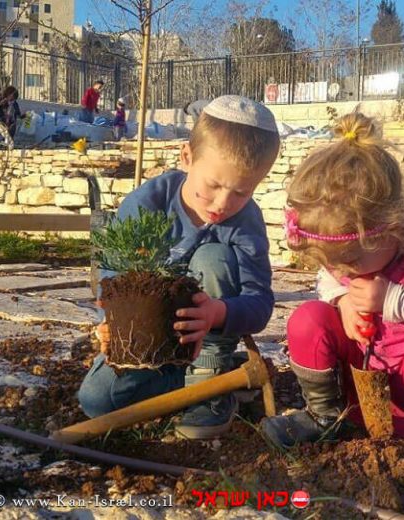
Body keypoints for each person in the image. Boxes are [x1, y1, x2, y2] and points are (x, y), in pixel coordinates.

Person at [78, 95, 280, 439]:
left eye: (241, 193)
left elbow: (259, 303)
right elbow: (113, 275)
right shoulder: (148, 202)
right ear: (187, 157)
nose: (222, 204)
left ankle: (211, 376)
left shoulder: (246, 222)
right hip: (148, 344)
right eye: (214, 185)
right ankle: (179, 387)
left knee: (213, 258)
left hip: (207, 344)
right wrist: (109, 322)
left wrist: (217, 313)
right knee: (97, 401)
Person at [261, 112, 404, 448]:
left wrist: (391, 300)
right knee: (309, 318)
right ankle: (326, 414)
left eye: (351, 260)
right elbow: (328, 279)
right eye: (331, 263)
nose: (344, 271)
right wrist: (341, 300)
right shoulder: (344, 267)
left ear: (394, 226)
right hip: (362, 388)